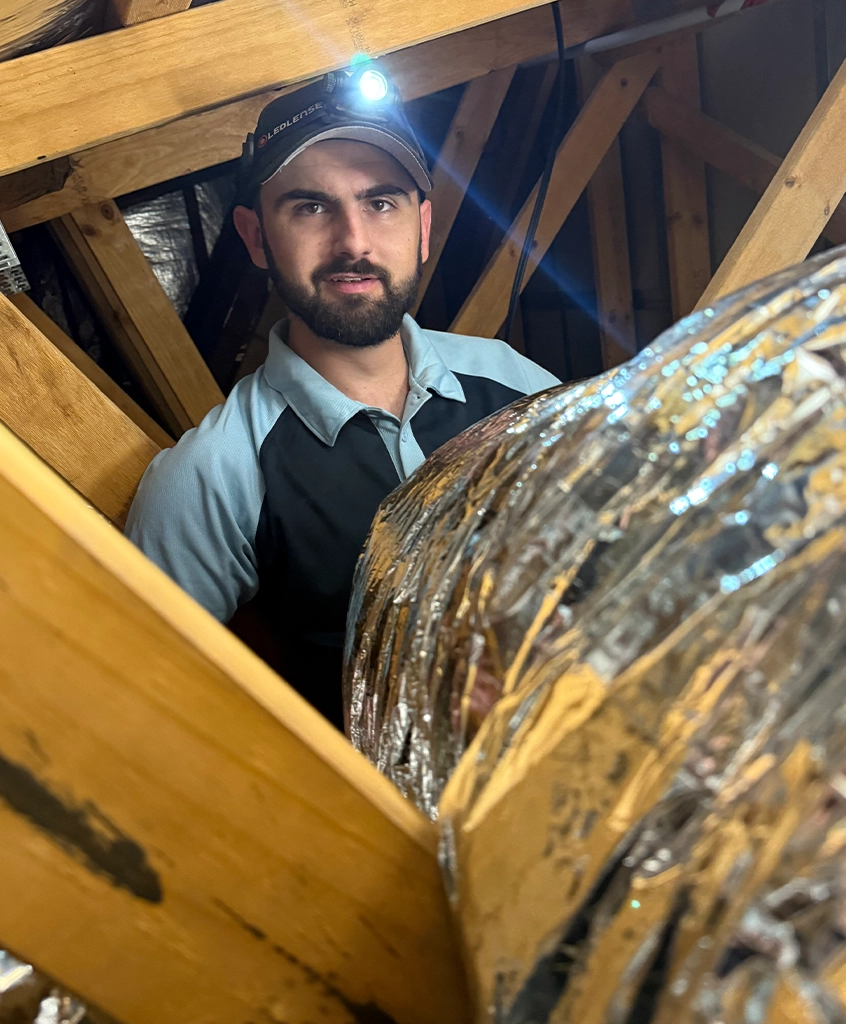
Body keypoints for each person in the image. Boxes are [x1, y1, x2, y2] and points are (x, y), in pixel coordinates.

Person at [126, 65, 559, 729]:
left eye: (380, 202)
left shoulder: (512, 382)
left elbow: (628, 556)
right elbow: (146, 714)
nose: (353, 242)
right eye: (310, 206)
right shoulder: (214, 475)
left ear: (421, 225)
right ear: (254, 236)